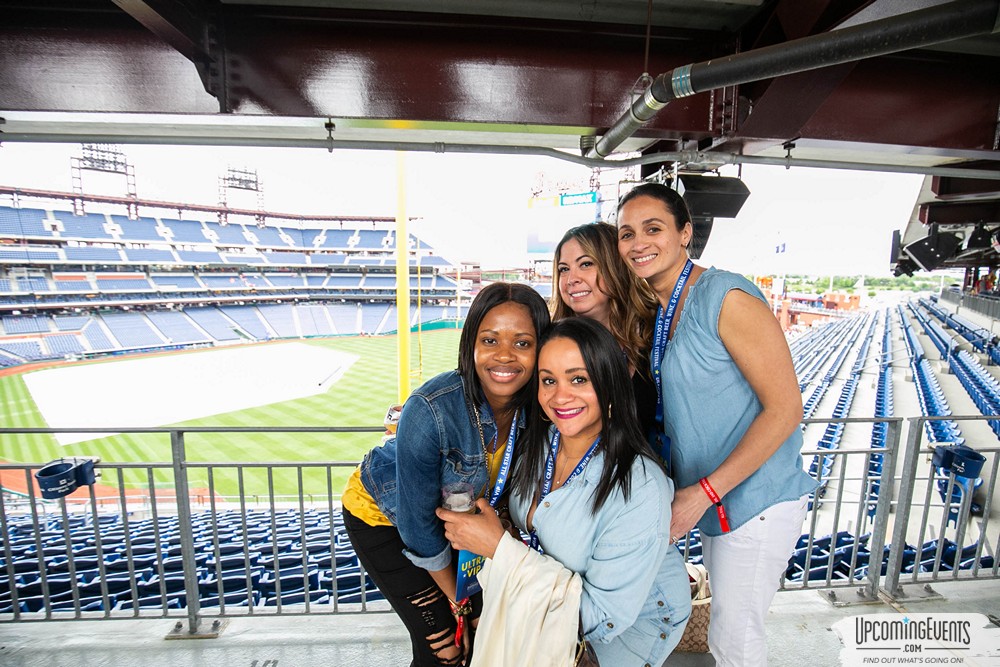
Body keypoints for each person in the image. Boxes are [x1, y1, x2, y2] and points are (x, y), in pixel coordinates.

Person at [616, 181, 817, 667]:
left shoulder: (725, 296)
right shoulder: (662, 307)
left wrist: (704, 493)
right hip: (716, 502)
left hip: (754, 501)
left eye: (653, 228)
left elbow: (786, 409)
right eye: (626, 233)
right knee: (728, 636)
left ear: (685, 233)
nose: (638, 243)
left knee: (734, 643)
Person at [438, 317, 691, 667]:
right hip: (542, 608)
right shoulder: (542, 443)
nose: (560, 396)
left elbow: (600, 617)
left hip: (620, 632)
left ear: (609, 384)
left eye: (578, 379)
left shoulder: (641, 487)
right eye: (548, 380)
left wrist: (500, 549)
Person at [341, 281, 551, 667]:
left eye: (522, 343)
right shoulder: (431, 407)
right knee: (447, 650)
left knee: (485, 636)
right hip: (384, 519)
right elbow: (418, 528)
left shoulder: (542, 406)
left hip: (461, 526)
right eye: (490, 340)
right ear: (471, 345)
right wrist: (459, 600)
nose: (505, 356)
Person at [550, 222, 660, 447]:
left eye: (586, 264)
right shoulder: (551, 344)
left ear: (615, 266)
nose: (571, 279)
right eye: (564, 269)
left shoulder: (655, 334)